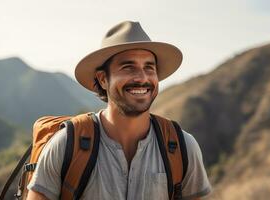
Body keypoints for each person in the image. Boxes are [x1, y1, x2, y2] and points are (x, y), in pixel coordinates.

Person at [26, 21, 211, 200]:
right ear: (103, 79)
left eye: (149, 67)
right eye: (128, 67)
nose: (142, 78)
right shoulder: (66, 145)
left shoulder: (182, 147)